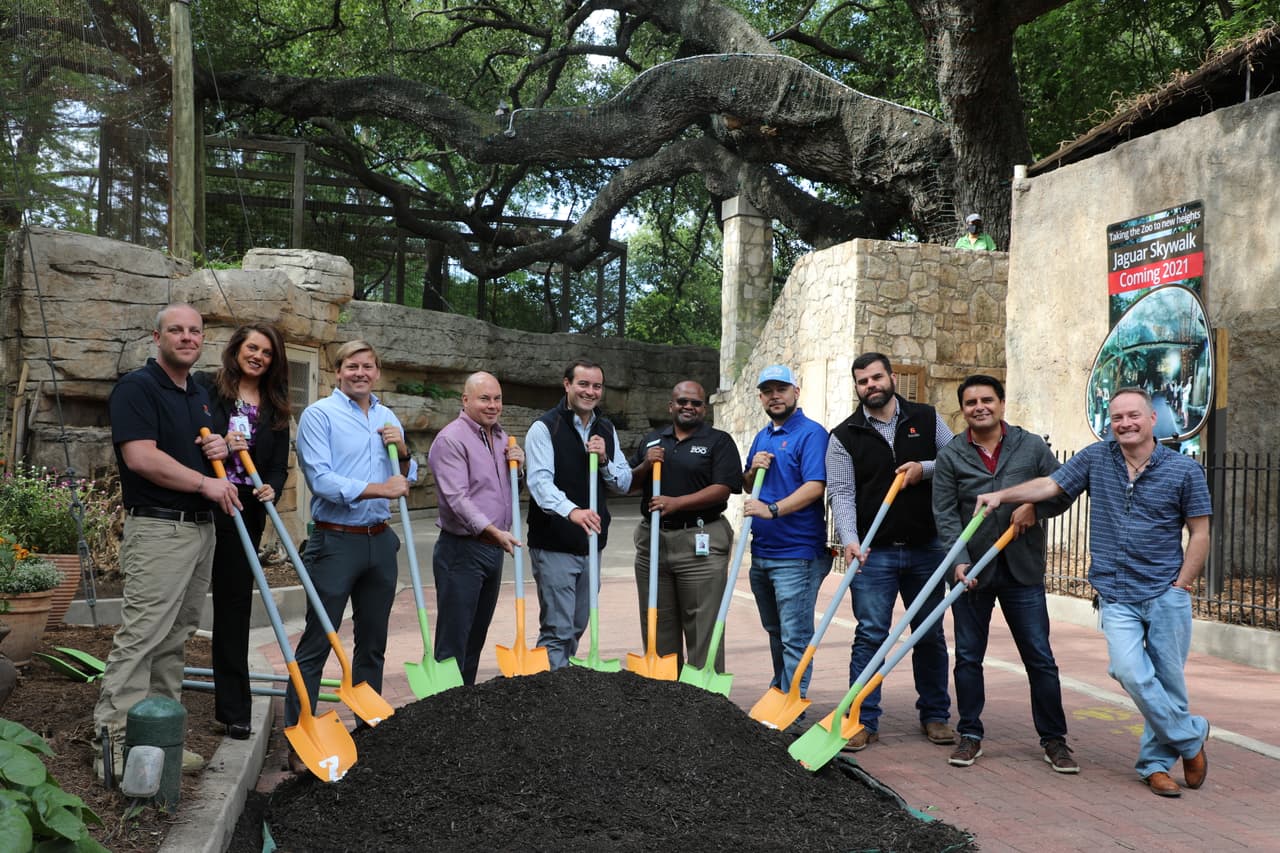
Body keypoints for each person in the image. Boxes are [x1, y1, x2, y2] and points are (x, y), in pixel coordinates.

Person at [974, 386, 1211, 797]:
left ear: (1152, 419)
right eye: (1117, 418)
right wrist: (1002, 495)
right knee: (1128, 671)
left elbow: (1201, 531)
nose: (1125, 424)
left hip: (1165, 592)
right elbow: (1050, 486)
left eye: (1133, 416)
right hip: (1115, 593)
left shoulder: (1183, 471)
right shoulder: (1096, 458)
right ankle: (1191, 738)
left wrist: (1181, 586)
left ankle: (1154, 765)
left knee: (1169, 683)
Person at [93, 303, 239, 781]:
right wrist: (204, 485)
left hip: (199, 529)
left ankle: (158, 738)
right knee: (142, 638)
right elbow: (140, 457)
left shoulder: (197, 393)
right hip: (159, 527)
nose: (187, 337)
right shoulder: (137, 388)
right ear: (157, 337)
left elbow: (200, 449)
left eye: (195, 331)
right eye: (176, 330)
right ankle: (114, 747)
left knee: (175, 639)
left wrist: (218, 447)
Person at [932, 374, 1078, 773]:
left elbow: (1062, 489)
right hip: (973, 572)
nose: (979, 406)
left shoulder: (1030, 446)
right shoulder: (950, 456)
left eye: (987, 399)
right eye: (970, 402)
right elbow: (945, 516)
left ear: (1001, 403)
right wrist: (958, 560)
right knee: (967, 658)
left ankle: (1054, 740)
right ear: (962, 409)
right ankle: (970, 735)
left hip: (1022, 570)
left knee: (1040, 658)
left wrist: (1036, 507)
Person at [286, 340, 416, 771]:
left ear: (377, 372)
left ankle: (367, 728)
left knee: (373, 640)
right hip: (335, 540)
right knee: (318, 640)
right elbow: (321, 480)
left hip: (380, 540)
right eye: (352, 366)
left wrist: (405, 451)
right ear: (338, 370)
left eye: (368, 366)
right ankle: (300, 734)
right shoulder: (319, 415)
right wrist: (383, 489)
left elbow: (405, 474)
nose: (361, 373)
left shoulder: (386, 416)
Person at [826, 352, 956, 751]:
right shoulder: (844, 435)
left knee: (930, 633)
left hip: (927, 548)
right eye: (863, 381)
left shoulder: (927, 417)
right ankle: (862, 719)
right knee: (870, 636)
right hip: (874, 553)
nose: (872, 386)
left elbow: (954, 460)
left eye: (877, 377)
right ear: (857, 387)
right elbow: (842, 494)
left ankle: (935, 715)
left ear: (892, 377)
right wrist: (851, 539)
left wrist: (923, 469)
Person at [194, 324, 291, 741]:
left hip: (245, 512)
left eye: (267, 353)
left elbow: (277, 465)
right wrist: (215, 441)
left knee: (234, 611)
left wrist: (272, 487)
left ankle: (234, 709)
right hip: (203, 504)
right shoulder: (205, 389)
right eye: (253, 347)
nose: (258, 357)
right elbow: (187, 438)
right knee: (180, 603)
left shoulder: (276, 407)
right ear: (237, 349)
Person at [525, 359, 633, 669]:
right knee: (557, 629)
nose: (590, 391)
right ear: (567, 385)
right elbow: (540, 484)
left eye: (596, 386)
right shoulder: (544, 428)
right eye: (583, 384)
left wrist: (603, 460)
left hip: (591, 544)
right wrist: (572, 511)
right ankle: (549, 692)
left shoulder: (606, 428)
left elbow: (623, 482)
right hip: (554, 542)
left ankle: (558, 682)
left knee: (577, 623)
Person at [628, 380, 742, 671]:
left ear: (704, 408)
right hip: (654, 541)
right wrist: (644, 465)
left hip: (700, 539)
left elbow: (724, 487)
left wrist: (677, 503)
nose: (688, 407)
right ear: (671, 405)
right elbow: (629, 485)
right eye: (682, 401)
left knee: (703, 623)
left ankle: (705, 699)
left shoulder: (719, 441)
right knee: (657, 620)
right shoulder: (652, 441)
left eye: (695, 403)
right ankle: (666, 699)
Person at [427, 371, 524, 685]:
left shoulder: (499, 437)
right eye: (485, 398)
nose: (493, 405)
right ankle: (441, 709)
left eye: (497, 399)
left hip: (492, 549)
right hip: (462, 550)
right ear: (465, 400)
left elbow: (506, 490)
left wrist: (518, 471)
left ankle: (462, 709)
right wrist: (492, 531)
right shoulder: (451, 439)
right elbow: (457, 498)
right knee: (454, 641)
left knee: (474, 639)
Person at [742, 365, 830, 700]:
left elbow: (815, 486)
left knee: (795, 636)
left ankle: (793, 706)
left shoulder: (811, 433)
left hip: (797, 555)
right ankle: (780, 692)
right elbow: (747, 482)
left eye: (781, 389)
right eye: (767, 391)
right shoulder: (763, 435)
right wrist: (753, 470)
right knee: (775, 631)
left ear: (796, 391)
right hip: (762, 552)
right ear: (761, 397)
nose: (774, 396)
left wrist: (772, 509)